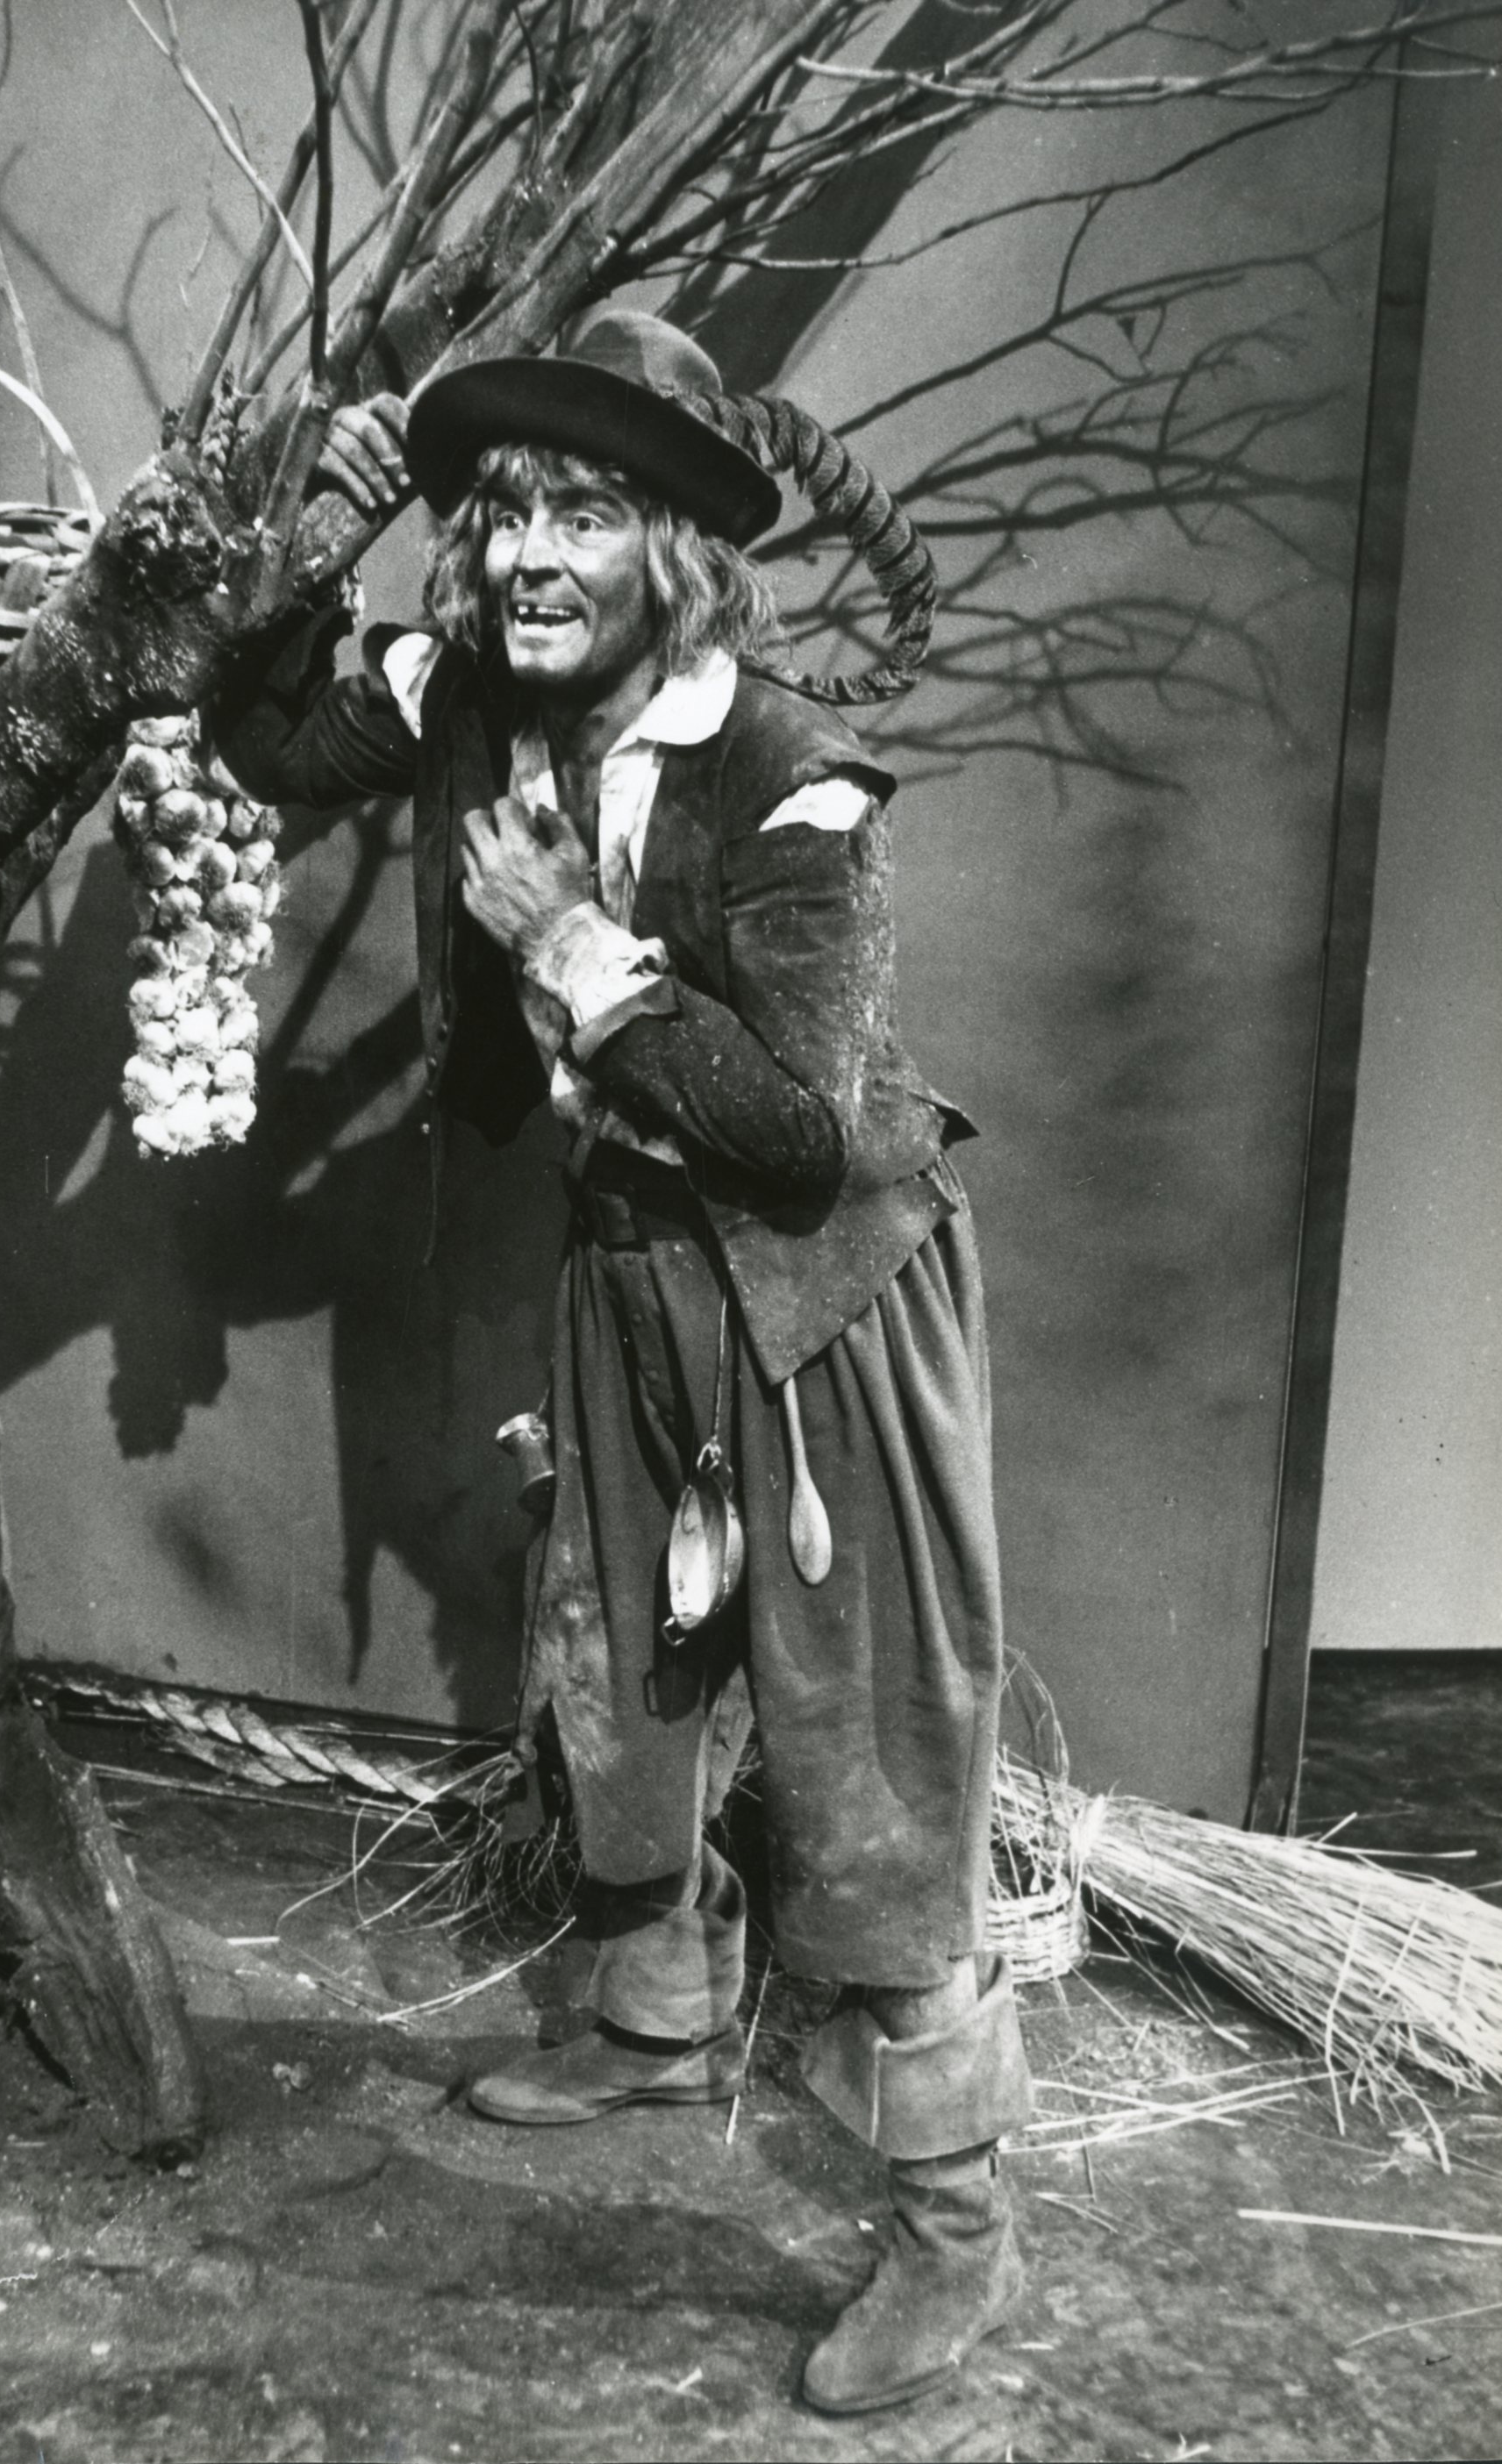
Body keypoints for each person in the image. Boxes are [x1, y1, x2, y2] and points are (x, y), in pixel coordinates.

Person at [211, 309, 1033, 2417]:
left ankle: (956, 2230)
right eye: (502, 515)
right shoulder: (470, 687)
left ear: (672, 548)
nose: (524, 558)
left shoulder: (792, 777)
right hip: (630, 1265)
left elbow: (794, 1133)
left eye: (581, 514)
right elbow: (261, 733)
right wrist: (327, 529)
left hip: (814, 1297)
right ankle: (655, 2024)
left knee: (861, 1756)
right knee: (616, 1661)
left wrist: (566, 944)